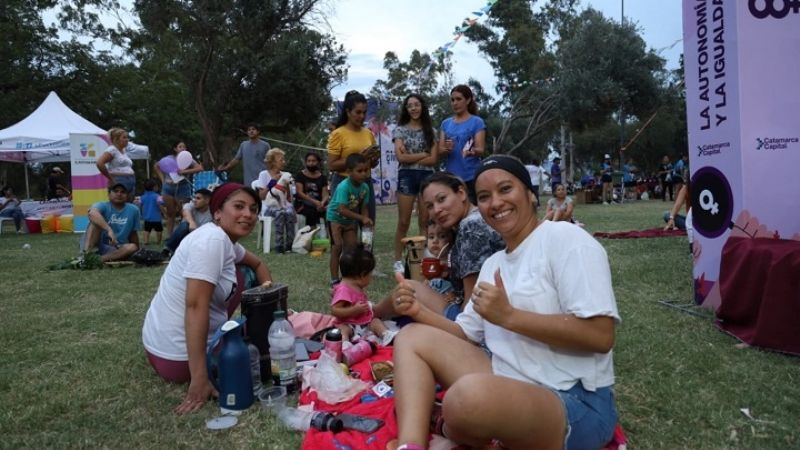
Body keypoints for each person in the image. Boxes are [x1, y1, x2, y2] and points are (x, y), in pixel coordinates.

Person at [389, 155, 620, 450]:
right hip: (508, 379)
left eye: (505, 189)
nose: (495, 203)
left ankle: (460, 428)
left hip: (574, 402)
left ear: (530, 193)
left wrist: (509, 316)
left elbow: (600, 335)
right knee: (409, 336)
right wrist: (417, 311)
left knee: (465, 400)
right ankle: (410, 445)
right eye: (484, 197)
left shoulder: (566, 239)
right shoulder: (494, 263)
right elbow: (465, 332)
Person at [141, 182, 272, 415]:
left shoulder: (222, 239)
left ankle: (233, 333)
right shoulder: (212, 241)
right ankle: (209, 359)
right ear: (218, 212)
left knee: (245, 272)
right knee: (240, 277)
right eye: (239, 206)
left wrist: (269, 302)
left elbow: (258, 264)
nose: (248, 214)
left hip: (160, 350)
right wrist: (199, 379)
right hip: (180, 358)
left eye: (253, 209)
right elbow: (195, 306)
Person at [374, 172, 505, 322]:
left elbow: (471, 303)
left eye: (442, 199)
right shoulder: (471, 221)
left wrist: (457, 329)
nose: (436, 210)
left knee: (409, 289)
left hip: (477, 321)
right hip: (479, 311)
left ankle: (372, 313)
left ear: (461, 193)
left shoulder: (471, 226)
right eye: (429, 206)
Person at [392, 94, 439, 274]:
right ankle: (397, 260)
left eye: (416, 105)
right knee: (403, 221)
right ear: (406, 109)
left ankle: (423, 258)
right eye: (409, 105)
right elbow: (400, 158)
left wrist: (413, 157)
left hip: (427, 177)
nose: (413, 108)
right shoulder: (400, 131)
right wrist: (423, 154)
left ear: (422, 107)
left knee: (425, 220)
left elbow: (434, 159)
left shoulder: (431, 131)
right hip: (407, 176)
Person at [327, 90, 379, 225]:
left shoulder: (368, 133)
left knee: (368, 224)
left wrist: (373, 160)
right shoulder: (338, 134)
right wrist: (359, 157)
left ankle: (367, 247)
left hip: (365, 184)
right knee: (345, 227)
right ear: (348, 112)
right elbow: (332, 165)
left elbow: (371, 163)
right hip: (344, 183)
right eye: (358, 112)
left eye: (364, 112)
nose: (362, 116)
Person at [330, 245, 396, 345]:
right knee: (343, 329)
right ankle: (344, 343)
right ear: (362, 275)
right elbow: (335, 310)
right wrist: (353, 310)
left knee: (376, 322)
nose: (371, 278)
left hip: (363, 324)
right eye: (370, 275)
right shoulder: (344, 289)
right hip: (349, 325)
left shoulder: (355, 286)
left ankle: (386, 335)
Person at [326, 153, 373, 286]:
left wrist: (366, 220)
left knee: (352, 249)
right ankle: (334, 279)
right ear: (349, 171)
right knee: (337, 248)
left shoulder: (365, 187)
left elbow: (363, 207)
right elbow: (342, 209)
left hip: (349, 221)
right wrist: (361, 218)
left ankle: (348, 277)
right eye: (360, 171)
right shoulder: (343, 187)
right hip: (335, 218)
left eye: (366, 170)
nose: (364, 174)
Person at [438, 85, 486, 204]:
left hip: (471, 177)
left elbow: (481, 149)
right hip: (451, 178)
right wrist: (446, 149)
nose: (455, 103)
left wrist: (472, 151)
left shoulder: (477, 122)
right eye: (453, 100)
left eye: (459, 99)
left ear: (468, 100)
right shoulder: (445, 124)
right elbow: (440, 151)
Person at [81, 183, 141, 262]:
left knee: (133, 247)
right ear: (109, 194)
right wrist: (109, 230)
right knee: (94, 224)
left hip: (117, 248)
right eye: (116, 191)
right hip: (97, 244)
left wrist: (137, 250)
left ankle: (99, 260)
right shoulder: (103, 205)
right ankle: (86, 255)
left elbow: (133, 233)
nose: (119, 194)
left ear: (127, 196)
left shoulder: (134, 210)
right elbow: (91, 213)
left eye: (123, 192)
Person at [155, 141, 204, 235]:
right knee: (170, 212)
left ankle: (185, 234)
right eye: (180, 146)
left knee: (184, 212)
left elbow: (199, 168)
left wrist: (184, 172)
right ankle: (170, 236)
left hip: (183, 187)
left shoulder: (188, 159)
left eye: (184, 147)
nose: (183, 148)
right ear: (175, 149)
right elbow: (157, 166)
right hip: (168, 188)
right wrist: (163, 180)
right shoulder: (169, 158)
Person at [256, 148, 296, 254]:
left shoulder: (286, 175)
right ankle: (279, 245)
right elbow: (261, 196)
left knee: (289, 212)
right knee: (280, 213)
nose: (284, 162)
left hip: (283, 204)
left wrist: (286, 186)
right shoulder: (263, 174)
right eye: (281, 160)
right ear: (272, 162)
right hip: (269, 205)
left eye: (284, 160)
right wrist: (273, 181)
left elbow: (289, 198)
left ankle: (289, 244)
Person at [96, 128, 143, 201]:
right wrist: (110, 178)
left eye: (127, 137)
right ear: (116, 139)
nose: (127, 139)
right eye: (124, 137)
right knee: (118, 204)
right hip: (119, 180)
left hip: (130, 180)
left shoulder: (123, 150)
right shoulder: (112, 150)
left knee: (128, 206)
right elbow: (99, 163)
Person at [163, 189, 213, 255]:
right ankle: (168, 248)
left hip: (202, 238)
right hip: (189, 234)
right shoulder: (191, 205)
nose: (194, 200)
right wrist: (191, 222)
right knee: (185, 226)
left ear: (207, 200)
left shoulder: (212, 211)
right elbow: (186, 211)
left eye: (198, 198)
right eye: (194, 198)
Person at [294, 152, 329, 228]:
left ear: (318, 162)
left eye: (313, 161)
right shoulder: (300, 175)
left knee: (330, 211)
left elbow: (325, 194)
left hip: (319, 204)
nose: (311, 163)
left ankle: (328, 235)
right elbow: (299, 192)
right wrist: (314, 202)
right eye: (309, 161)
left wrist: (322, 203)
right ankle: (310, 234)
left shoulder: (322, 177)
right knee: (311, 211)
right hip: (304, 203)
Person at [140, 179, 164, 246]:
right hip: (156, 218)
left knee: (146, 230)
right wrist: (164, 213)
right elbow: (160, 205)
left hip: (147, 217)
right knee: (159, 230)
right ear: (154, 187)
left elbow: (140, 204)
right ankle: (158, 242)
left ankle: (146, 241)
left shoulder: (142, 197)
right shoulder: (158, 196)